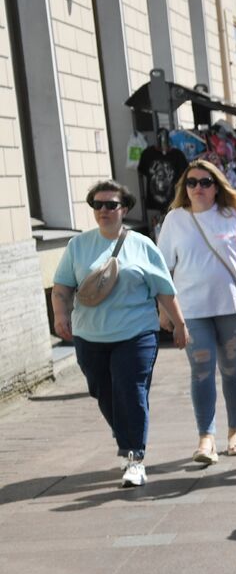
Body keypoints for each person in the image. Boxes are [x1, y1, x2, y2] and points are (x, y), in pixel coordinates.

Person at [52, 181, 190, 488]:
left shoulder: (141, 245)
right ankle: (128, 433)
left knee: (131, 389)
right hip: (90, 336)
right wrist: (61, 314)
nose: (103, 210)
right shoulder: (78, 246)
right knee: (103, 391)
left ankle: (134, 457)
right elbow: (62, 286)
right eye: (97, 205)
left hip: (136, 333)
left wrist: (179, 324)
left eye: (110, 204)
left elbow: (164, 289)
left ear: (124, 209)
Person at [158, 160, 236, 465]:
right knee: (201, 371)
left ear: (217, 186)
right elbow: (163, 269)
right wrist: (165, 311)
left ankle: (235, 432)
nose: (198, 188)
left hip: (232, 306)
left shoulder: (235, 214)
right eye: (192, 182)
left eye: (205, 182)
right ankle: (205, 438)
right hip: (192, 309)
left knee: (232, 371)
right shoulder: (175, 219)